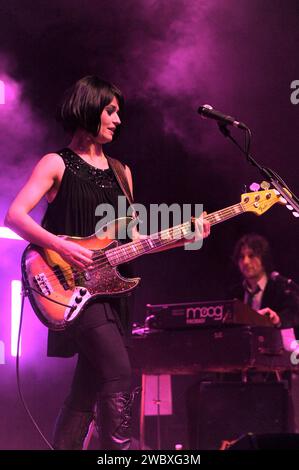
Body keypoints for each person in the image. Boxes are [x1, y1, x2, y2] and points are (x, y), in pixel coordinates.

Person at [5, 75, 210, 450]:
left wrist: (185, 236)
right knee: (119, 373)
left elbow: (134, 243)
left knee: (87, 388)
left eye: (119, 113)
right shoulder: (56, 163)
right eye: (111, 111)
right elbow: (15, 216)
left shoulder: (122, 172)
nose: (118, 120)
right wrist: (61, 246)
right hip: (75, 288)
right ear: (88, 108)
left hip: (115, 289)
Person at [231, 233, 299, 329]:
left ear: (264, 258)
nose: (245, 262)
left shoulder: (281, 288)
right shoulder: (234, 293)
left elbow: (293, 316)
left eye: (251, 255)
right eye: (241, 257)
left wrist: (278, 319)